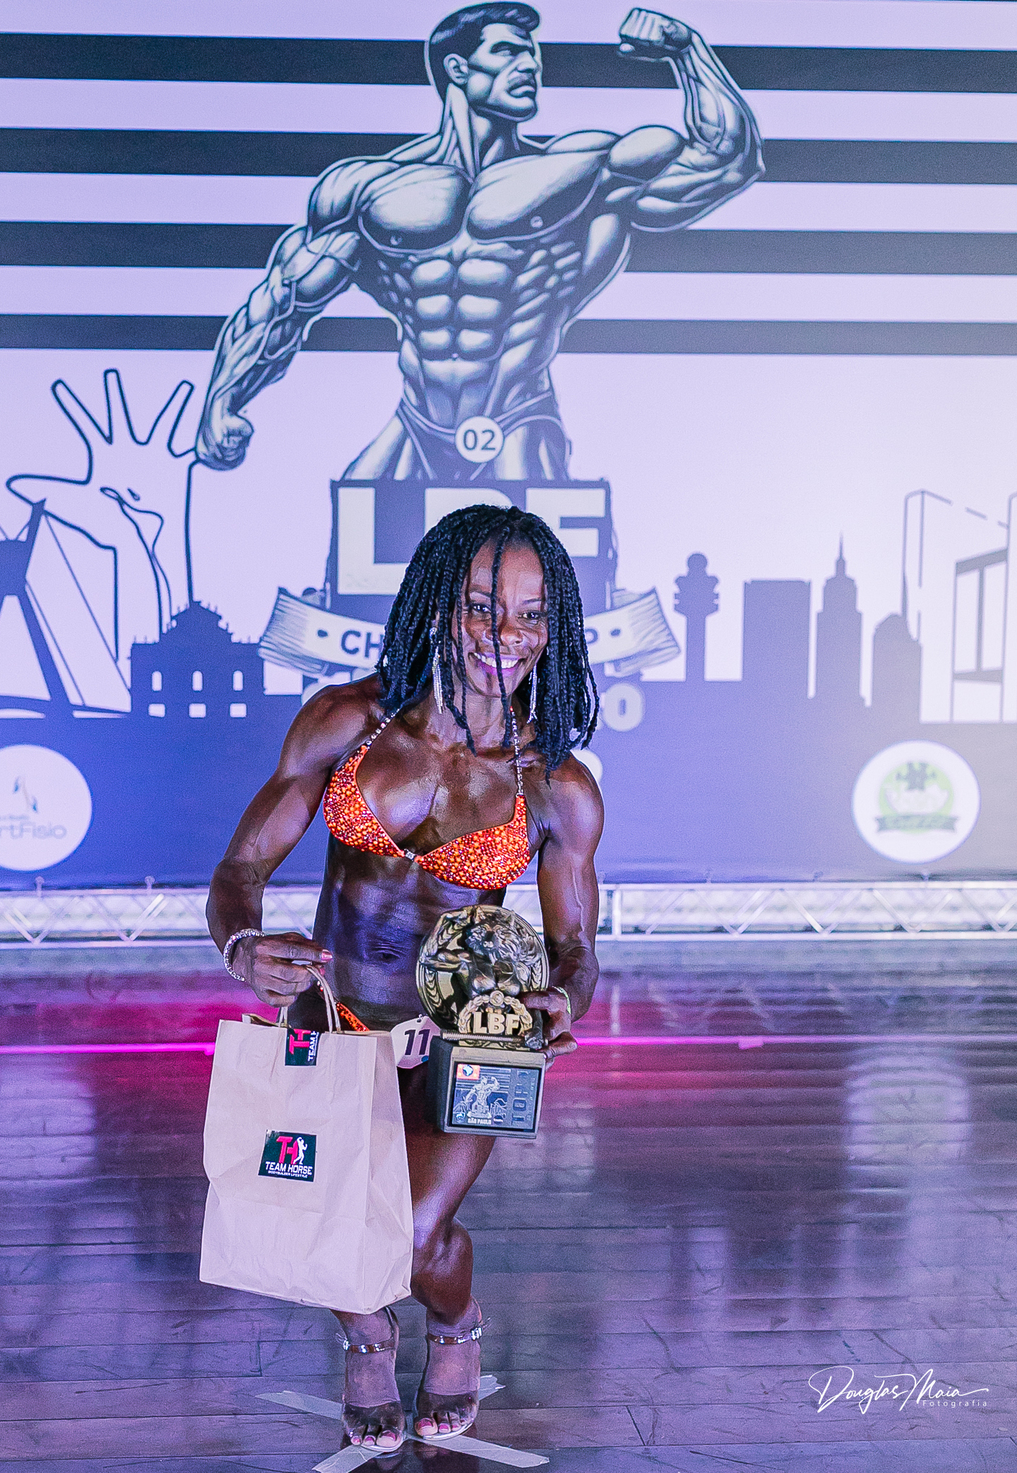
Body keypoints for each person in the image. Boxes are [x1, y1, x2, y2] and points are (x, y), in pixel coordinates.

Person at [208, 504, 604, 1449]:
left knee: (413, 1232)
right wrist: (242, 945)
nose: (504, 636)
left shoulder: (557, 786)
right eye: (481, 607)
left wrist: (563, 999)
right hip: (334, 1016)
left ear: (552, 627)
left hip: (471, 1037)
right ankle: (368, 1335)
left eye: (529, 615)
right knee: (329, 1219)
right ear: (437, 605)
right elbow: (241, 867)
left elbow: (578, 947)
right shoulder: (349, 722)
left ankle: (455, 1321)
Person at [195, 3, 761, 483]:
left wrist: (688, 52)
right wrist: (223, 400)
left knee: (533, 570)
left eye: (533, 56)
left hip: (518, 419)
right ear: (458, 68)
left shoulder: (581, 171)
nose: (530, 66)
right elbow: (284, 303)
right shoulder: (367, 190)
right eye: (508, 52)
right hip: (416, 425)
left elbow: (725, 161)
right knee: (356, 543)